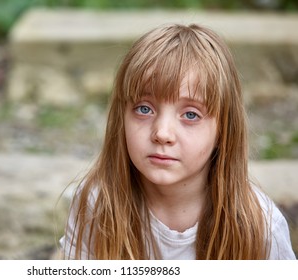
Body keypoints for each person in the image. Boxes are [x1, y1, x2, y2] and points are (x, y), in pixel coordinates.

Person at [60, 23, 296, 260]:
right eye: (144, 109)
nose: (162, 133)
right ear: (121, 118)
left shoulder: (260, 228)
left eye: (191, 115)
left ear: (223, 130)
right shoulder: (97, 205)